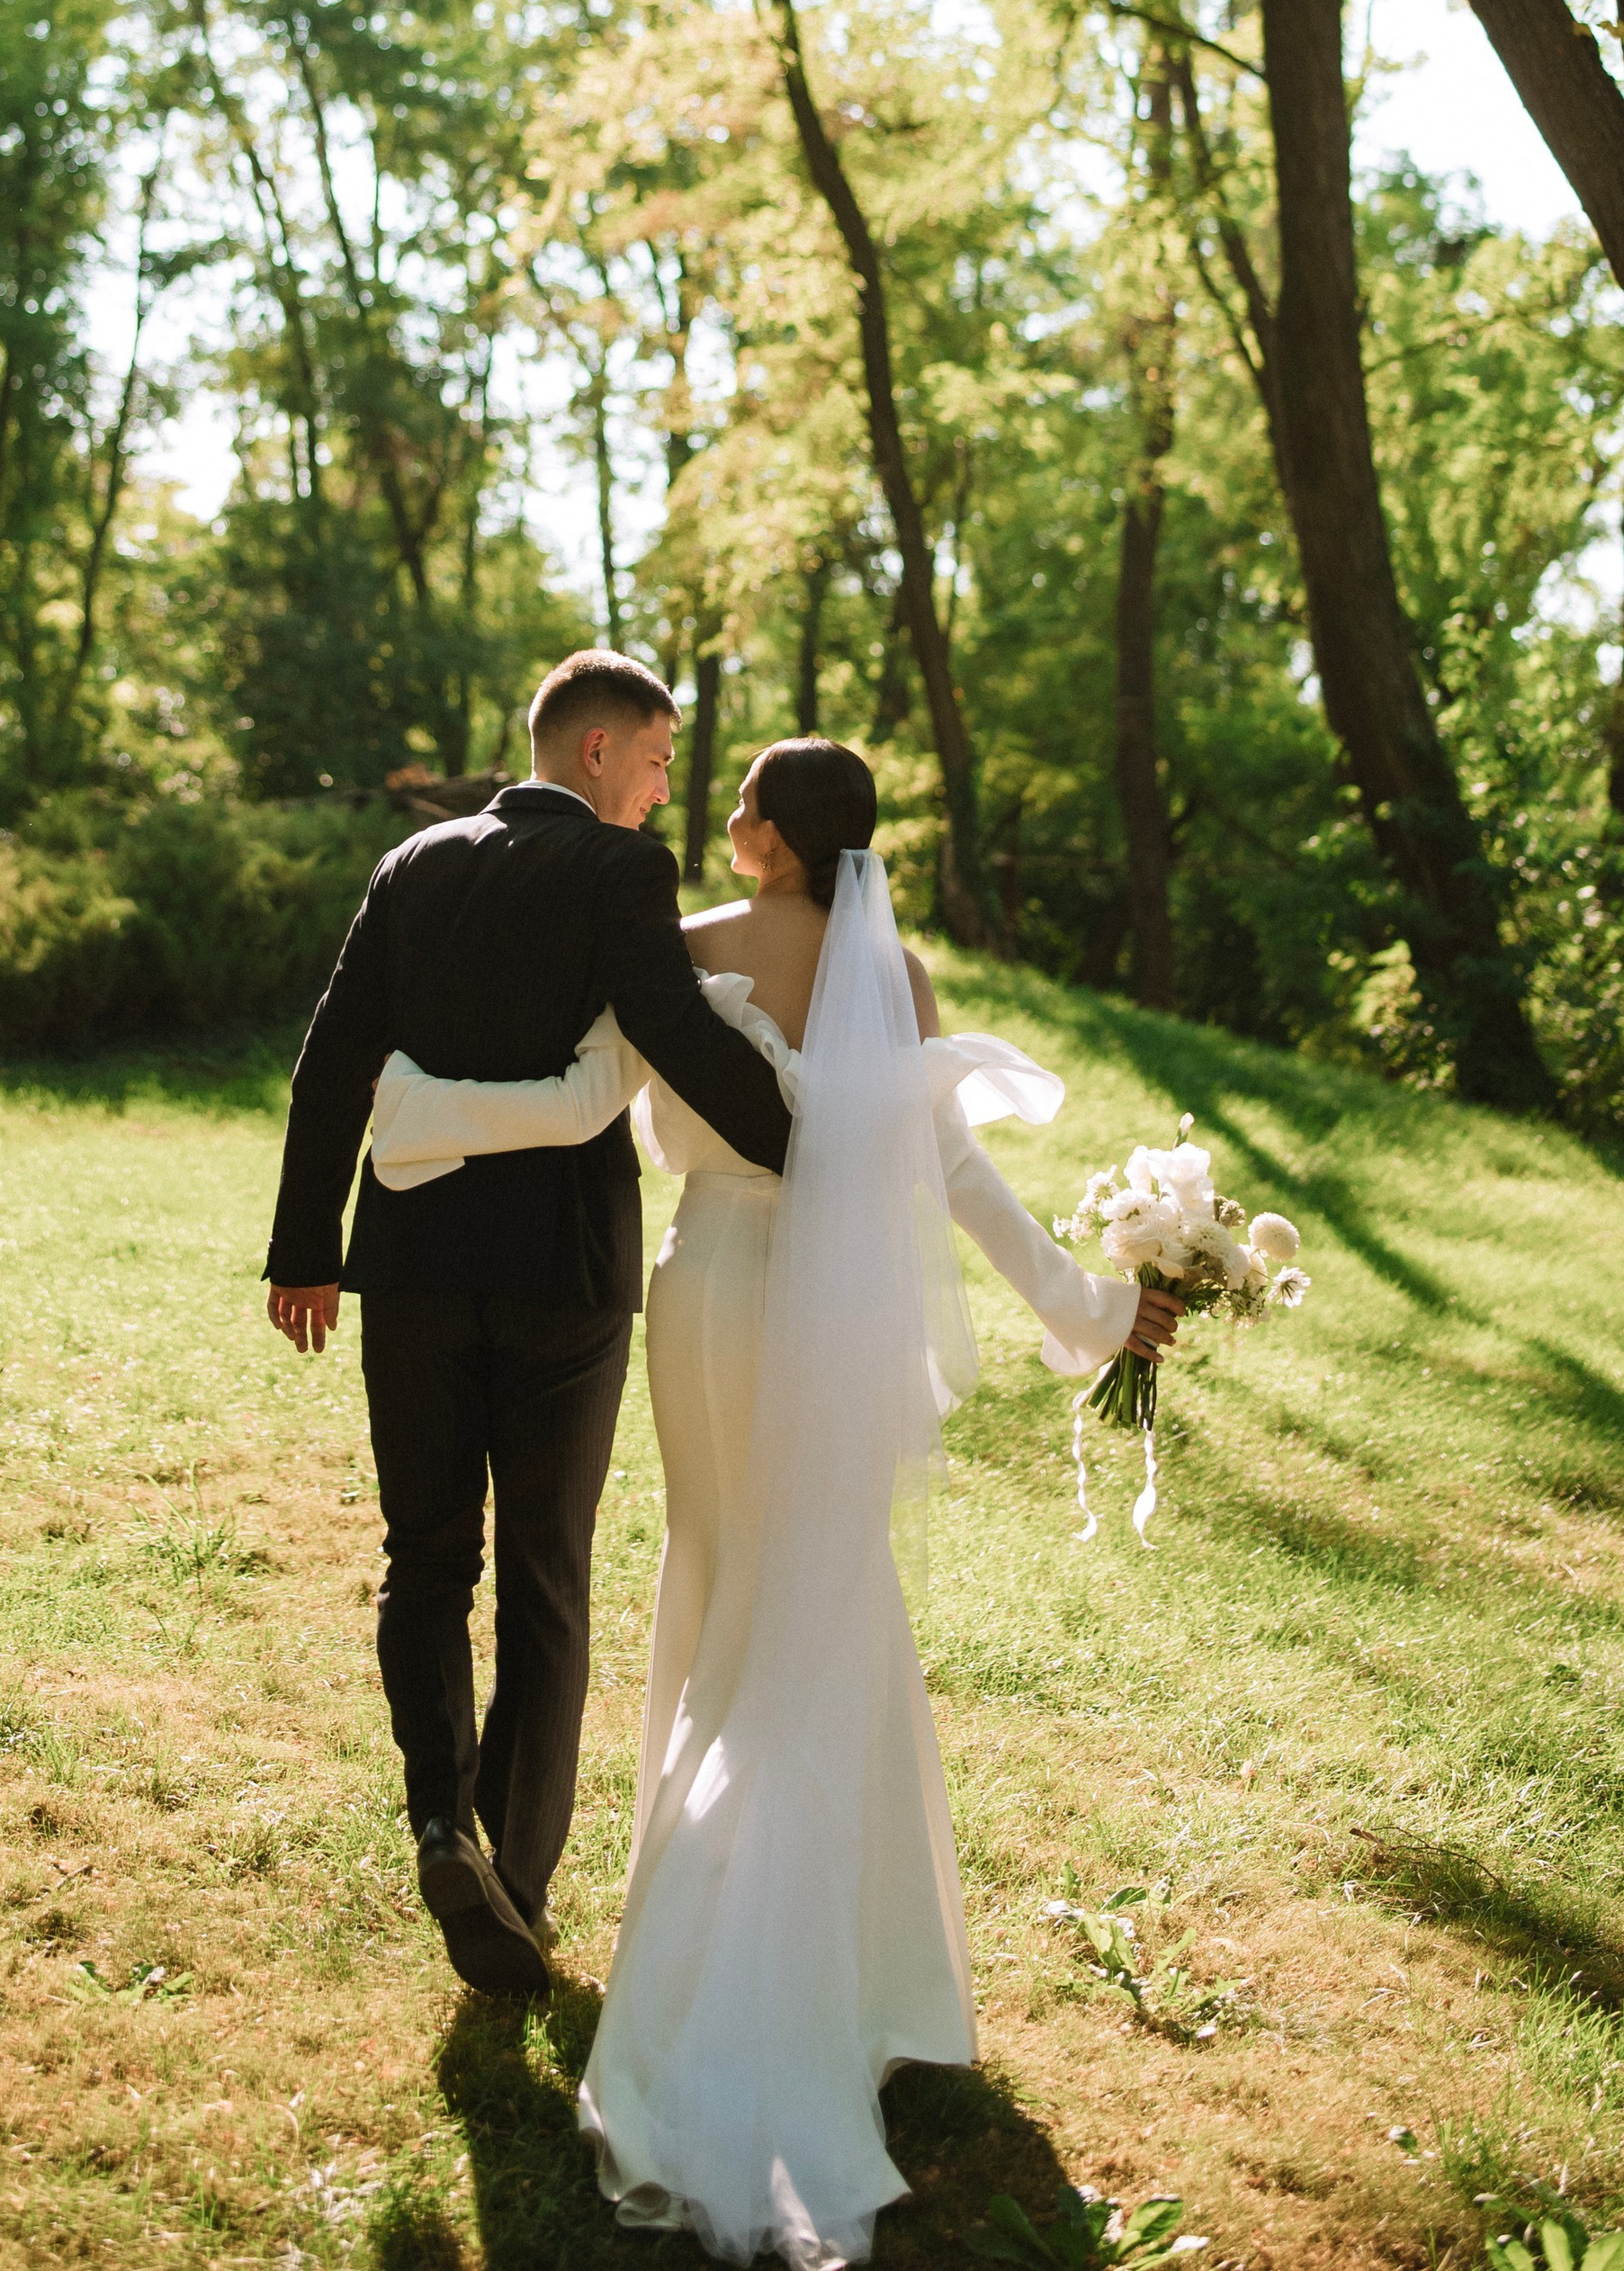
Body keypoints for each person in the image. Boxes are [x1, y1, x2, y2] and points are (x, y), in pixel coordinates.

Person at [362, 736, 1180, 2267]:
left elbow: (586, 1087)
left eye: (743, 798)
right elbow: (956, 1177)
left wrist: (416, 1108)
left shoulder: (680, 942)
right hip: (832, 1312)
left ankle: (722, 1949)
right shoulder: (896, 975)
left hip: (711, 1286)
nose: (723, 811)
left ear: (784, 838)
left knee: (725, 1576)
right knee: (824, 1596)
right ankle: (856, 1980)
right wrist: (1092, 1306)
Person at [260, 650, 791, 2000]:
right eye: (657, 760)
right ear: (598, 750)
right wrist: (812, 1146)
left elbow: (333, 1053)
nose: (663, 788)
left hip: (414, 1265)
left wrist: (306, 1248)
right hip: (564, 1270)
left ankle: (444, 1826)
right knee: (546, 1574)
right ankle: (522, 1879)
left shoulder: (412, 863)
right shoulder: (621, 870)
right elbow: (672, 1029)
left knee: (426, 1554)